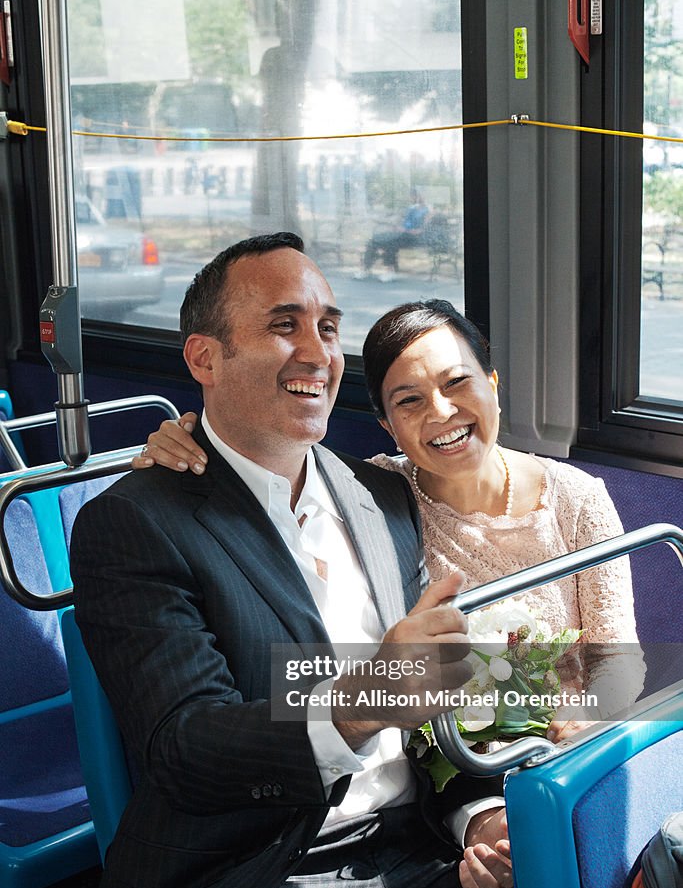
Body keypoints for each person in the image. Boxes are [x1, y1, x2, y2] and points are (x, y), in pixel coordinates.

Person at [71, 235, 529, 888]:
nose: (316, 350)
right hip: (262, 873)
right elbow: (184, 743)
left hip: (413, 847)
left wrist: (476, 813)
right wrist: (364, 699)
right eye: (284, 323)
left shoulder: (379, 498)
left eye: (326, 326)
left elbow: (441, 697)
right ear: (204, 359)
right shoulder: (137, 524)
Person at [141, 300, 644, 735]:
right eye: (410, 401)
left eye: (458, 383)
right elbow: (266, 462)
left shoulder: (577, 500)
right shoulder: (372, 493)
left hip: (566, 744)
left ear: (492, 383)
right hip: (441, 754)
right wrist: (186, 446)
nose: (442, 412)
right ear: (387, 425)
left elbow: (619, 655)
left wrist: (589, 715)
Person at [355, 191, 430, 282]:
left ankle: (391, 272)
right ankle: (365, 269)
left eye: (416, 196)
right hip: (401, 235)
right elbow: (400, 221)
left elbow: (422, 230)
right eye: (413, 196)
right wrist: (394, 226)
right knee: (373, 241)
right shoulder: (410, 209)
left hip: (414, 238)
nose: (414, 198)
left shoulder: (427, 211)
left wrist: (405, 230)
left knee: (390, 243)